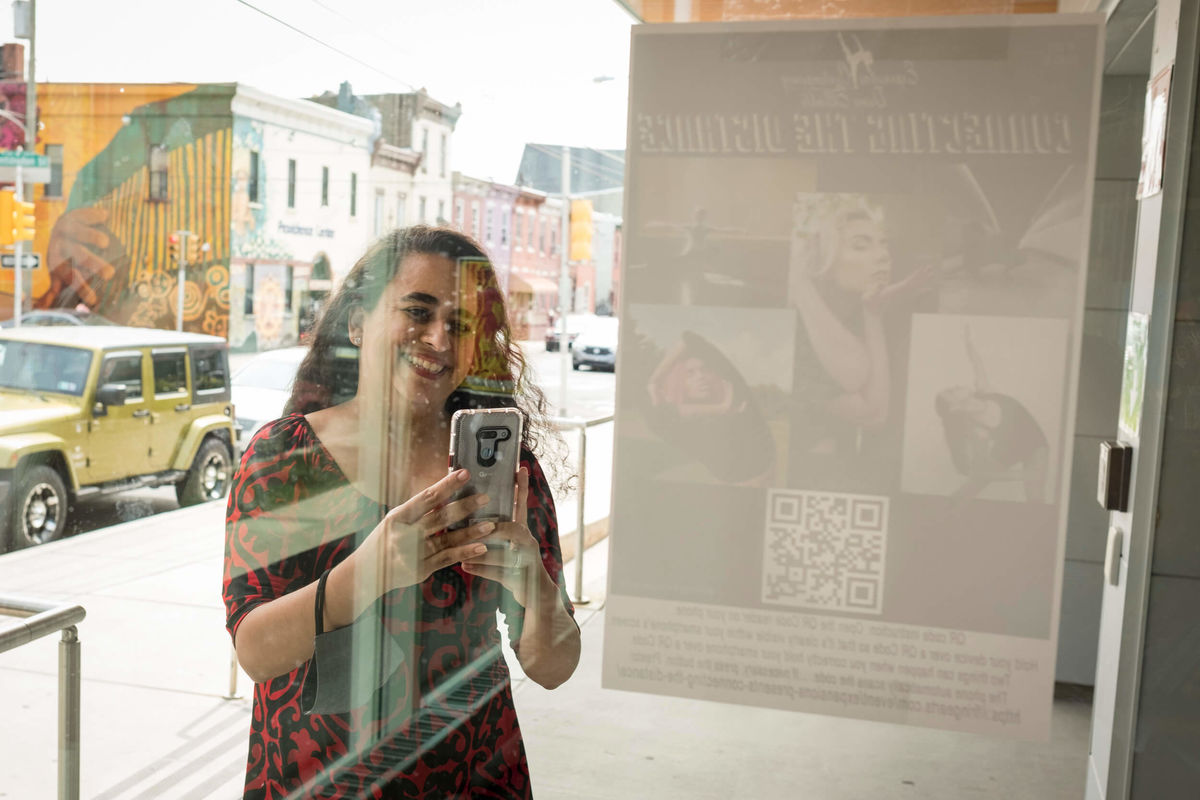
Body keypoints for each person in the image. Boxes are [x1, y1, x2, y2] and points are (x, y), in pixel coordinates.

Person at [223, 226, 581, 799]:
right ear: (358, 322)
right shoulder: (285, 459)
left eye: (462, 325)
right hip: (317, 782)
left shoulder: (505, 472)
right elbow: (255, 652)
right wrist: (372, 572)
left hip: (476, 776)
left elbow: (554, 665)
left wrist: (534, 586)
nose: (440, 337)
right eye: (418, 310)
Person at [788, 194, 931, 457]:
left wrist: (872, 315)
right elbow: (856, 377)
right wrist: (799, 284)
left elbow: (876, 415)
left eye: (883, 244)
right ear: (822, 259)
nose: (883, 257)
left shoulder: (856, 310)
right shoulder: (798, 327)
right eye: (861, 246)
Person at [934, 326, 1049, 503]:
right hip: (1010, 448)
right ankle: (942, 511)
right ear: (954, 409)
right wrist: (1021, 475)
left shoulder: (983, 391)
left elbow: (977, 365)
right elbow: (984, 473)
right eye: (951, 392)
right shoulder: (976, 429)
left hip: (1035, 442)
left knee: (1035, 498)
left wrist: (969, 344)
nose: (955, 386)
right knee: (974, 485)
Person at [646, 330, 774, 485]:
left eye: (705, 370)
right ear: (681, 383)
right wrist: (653, 384)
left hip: (758, 482)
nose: (700, 376)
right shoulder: (685, 418)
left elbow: (691, 339)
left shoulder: (733, 390)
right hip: (725, 487)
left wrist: (655, 378)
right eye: (690, 373)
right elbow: (661, 419)